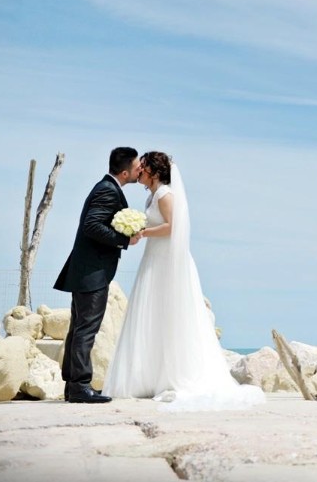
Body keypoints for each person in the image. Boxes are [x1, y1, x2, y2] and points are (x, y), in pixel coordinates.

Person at [103, 151, 265, 411]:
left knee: (171, 314)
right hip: (154, 259)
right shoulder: (151, 195)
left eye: (142, 168)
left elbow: (172, 226)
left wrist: (142, 232)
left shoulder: (165, 194)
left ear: (154, 172)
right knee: (152, 315)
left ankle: (172, 374)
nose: (139, 172)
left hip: (168, 260)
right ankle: (149, 376)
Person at [54, 147, 142, 404]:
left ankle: (73, 386)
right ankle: (80, 386)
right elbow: (92, 225)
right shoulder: (107, 190)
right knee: (86, 329)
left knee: (79, 327)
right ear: (125, 172)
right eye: (137, 167)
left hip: (86, 270)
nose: (140, 170)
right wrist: (123, 239)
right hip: (92, 271)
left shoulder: (106, 187)